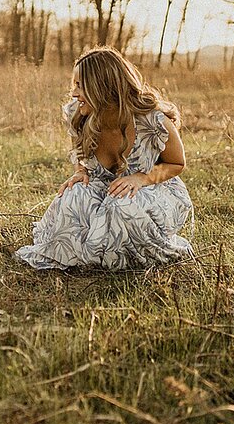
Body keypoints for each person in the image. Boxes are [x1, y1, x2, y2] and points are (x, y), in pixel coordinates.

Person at [14, 46, 194, 270]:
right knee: (73, 196)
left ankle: (138, 258)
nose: (74, 93)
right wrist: (81, 172)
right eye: (74, 85)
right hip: (106, 187)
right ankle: (90, 257)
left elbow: (177, 163)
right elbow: (81, 155)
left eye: (80, 86)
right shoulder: (78, 114)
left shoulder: (153, 121)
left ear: (102, 86)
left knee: (121, 205)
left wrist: (141, 178)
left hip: (153, 189)